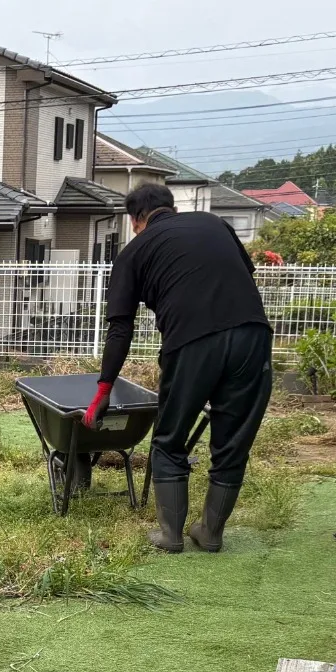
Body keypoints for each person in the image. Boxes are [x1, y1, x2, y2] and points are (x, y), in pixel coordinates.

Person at [81, 182, 275, 553]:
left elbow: (121, 327)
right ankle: (211, 533)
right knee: (233, 442)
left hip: (192, 342)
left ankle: (170, 535)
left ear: (135, 220)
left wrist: (104, 388)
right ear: (171, 207)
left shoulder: (134, 251)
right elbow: (241, 275)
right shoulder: (215, 224)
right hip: (253, 335)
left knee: (170, 439)